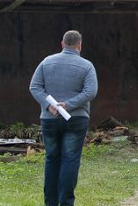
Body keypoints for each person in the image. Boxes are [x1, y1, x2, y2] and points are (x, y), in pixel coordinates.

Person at [30, 30, 98, 206]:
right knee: (70, 159)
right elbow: (90, 92)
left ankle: (50, 203)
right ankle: (66, 202)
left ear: (62, 44)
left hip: (49, 119)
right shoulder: (87, 65)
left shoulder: (46, 62)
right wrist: (68, 105)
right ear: (80, 45)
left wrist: (49, 105)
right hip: (76, 119)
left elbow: (34, 87)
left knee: (52, 158)